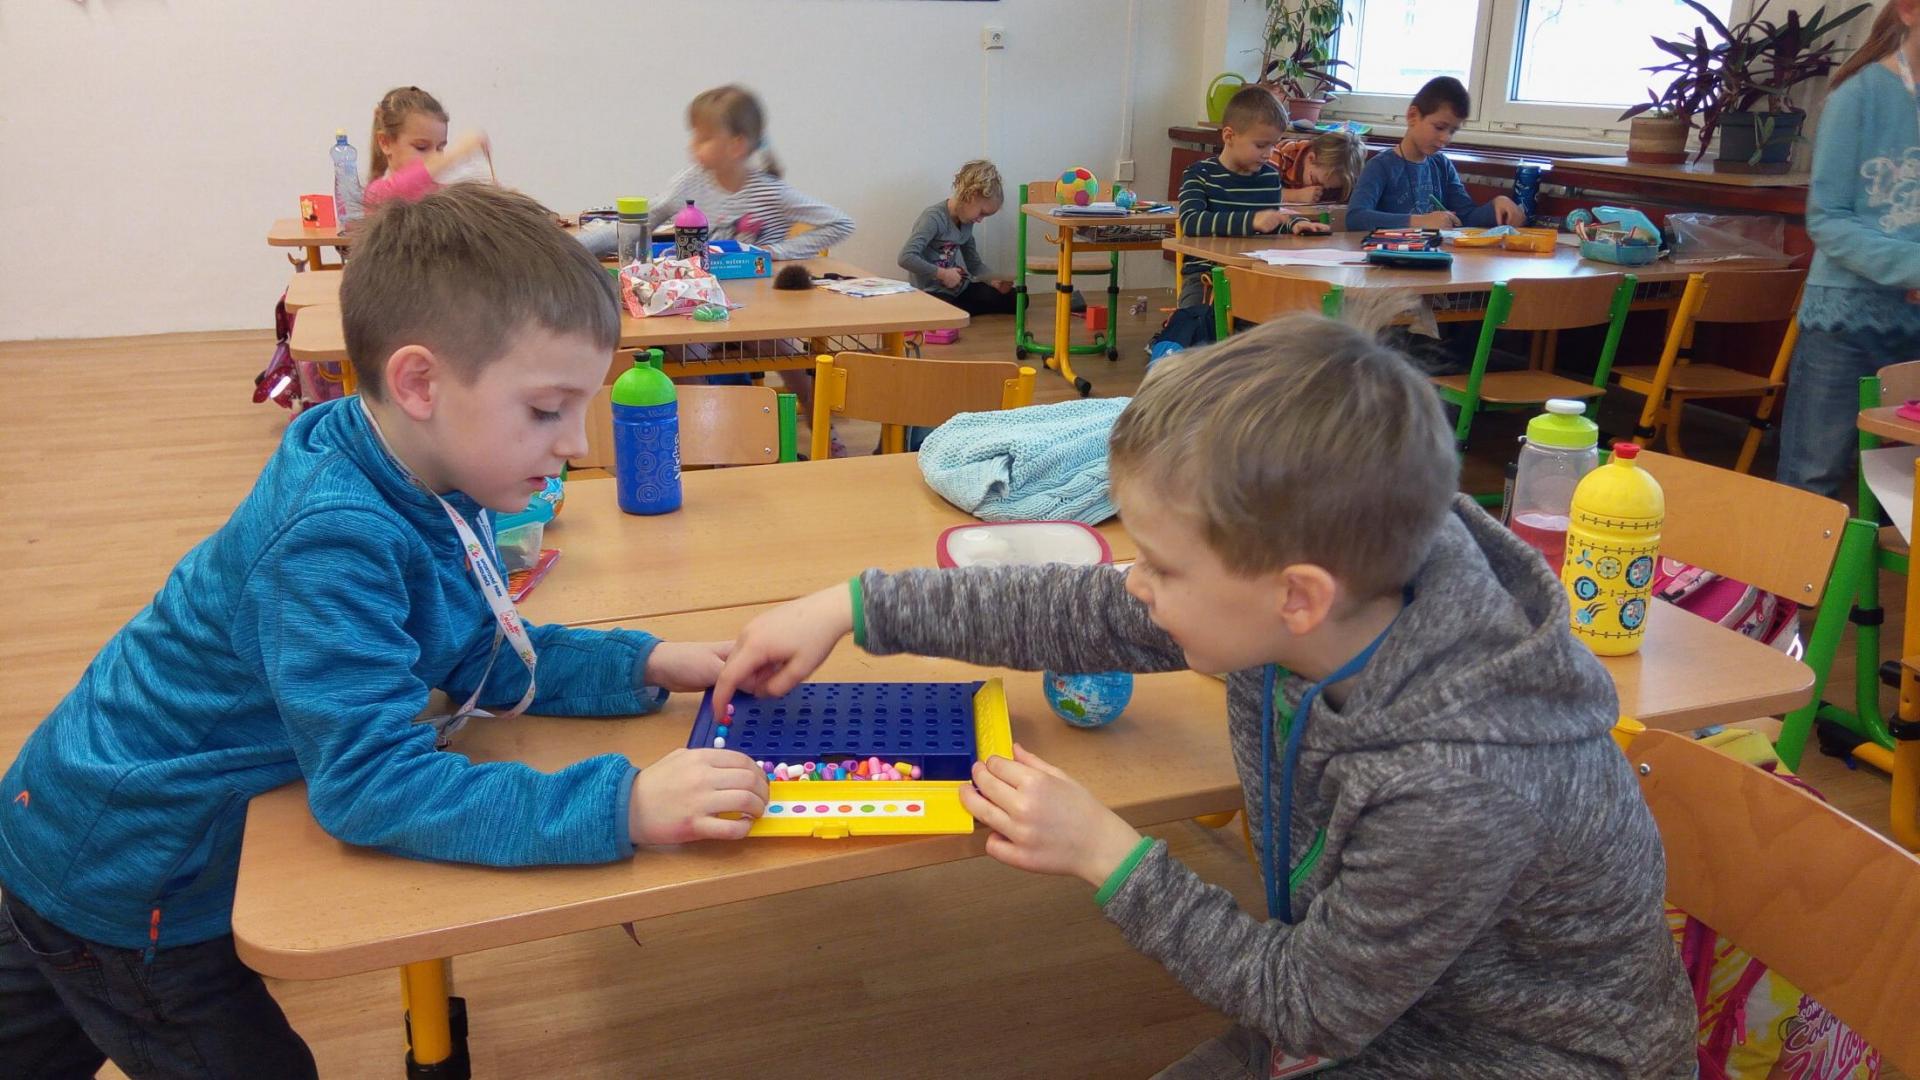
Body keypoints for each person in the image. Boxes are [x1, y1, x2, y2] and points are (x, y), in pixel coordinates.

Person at [713, 311, 1695, 1078]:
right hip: (1387, 1005)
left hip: (1515, 1057)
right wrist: (851, 606)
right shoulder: (1339, 581)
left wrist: (1106, 853)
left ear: (1297, 597)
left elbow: (1310, 1007)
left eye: (1162, 565)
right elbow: (1088, 609)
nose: (1134, 582)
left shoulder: (1458, 787)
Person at [0, 186, 768, 1077]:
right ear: (419, 383)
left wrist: (650, 663)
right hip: (131, 872)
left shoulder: (413, 461)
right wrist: (619, 807)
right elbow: (369, 787)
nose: (574, 443)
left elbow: (474, 650)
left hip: (75, 824)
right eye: (546, 409)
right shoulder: (334, 535)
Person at [1777, 0, 1920, 498]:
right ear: (1908, 11)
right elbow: (1828, 219)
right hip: (1847, 320)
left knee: (1900, 491)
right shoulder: (1858, 95)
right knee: (1812, 480)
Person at [1177, 86, 1332, 308]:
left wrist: (1295, 224)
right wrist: (1251, 220)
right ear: (1229, 136)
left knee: (1299, 311)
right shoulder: (1199, 174)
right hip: (1207, 273)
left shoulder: (1269, 177)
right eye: (1260, 145)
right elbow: (1191, 222)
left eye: (1273, 145)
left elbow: (1271, 223)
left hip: (1258, 273)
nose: (1269, 154)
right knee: (1195, 319)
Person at [1346, 76, 1525, 233]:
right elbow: (1356, 218)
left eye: (1452, 131)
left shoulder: (1442, 166)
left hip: (1434, 257)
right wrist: (1420, 221)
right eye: (1439, 127)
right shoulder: (1381, 166)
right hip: (1390, 258)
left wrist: (1497, 206)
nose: (1446, 138)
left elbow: (1465, 217)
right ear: (1413, 116)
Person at [899, 159, 1017, 316]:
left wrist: (994, 280)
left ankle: (958, 312)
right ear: (971, 196)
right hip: (931, 291)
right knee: (944, 311)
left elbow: (974, 264)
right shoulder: (933, 218)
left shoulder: (967, 221)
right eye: (982, 213)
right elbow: (906, 257)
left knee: (1017, 300)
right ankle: (952, 312)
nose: (980, 220)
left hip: (958, 289)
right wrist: (942, 274)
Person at [361, 85, 493, 209]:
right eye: (422, 147)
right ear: (385, 143)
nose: (435, 157)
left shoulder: (441, 189)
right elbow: (402, 188)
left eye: (440, 148)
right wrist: (457, 153)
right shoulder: (377, 193)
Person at [1273, 128, 1367, 204]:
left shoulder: (1335, 179)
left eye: (1327, 188)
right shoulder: (1281, 154)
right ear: (1310, 158)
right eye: (1314, 180)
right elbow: (1264, 192)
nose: (1316, 190)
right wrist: (1296, 196)